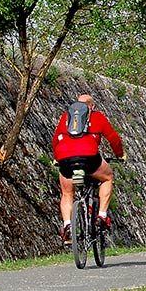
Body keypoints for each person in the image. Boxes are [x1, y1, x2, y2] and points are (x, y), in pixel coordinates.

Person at [52, 93, 125, 242]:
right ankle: (102, 216)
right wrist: (120, 154)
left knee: (67, 193)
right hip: (89, 158)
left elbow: (55, 140)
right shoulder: (97, 117)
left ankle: (67, 226)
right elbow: (113, 138)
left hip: (65, 158)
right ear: (92, 106)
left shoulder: (66, 117)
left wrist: (56, 158)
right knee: (107, 178)